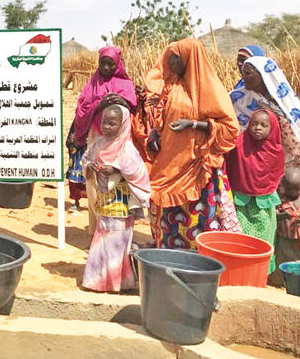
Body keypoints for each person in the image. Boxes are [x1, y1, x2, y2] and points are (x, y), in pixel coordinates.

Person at [136, 37, 241, 249]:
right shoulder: (170, 86)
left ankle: (196, 265)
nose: (170, 64)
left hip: (196, 168)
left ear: (188, 59)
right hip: (169, 164)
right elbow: (161, 117)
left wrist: (193, 125)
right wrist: (156, 134)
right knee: (167, 217)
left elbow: (230, 129)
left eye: (175, 59)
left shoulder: (209, 90)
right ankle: (166, 257)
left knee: (197, 219)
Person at [231, 55, 300, 208]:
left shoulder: (284, 101)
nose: (243, 77)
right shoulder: (238, 98)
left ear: (263, 76)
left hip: (282, 154)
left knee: (283, 190)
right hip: (249, 156)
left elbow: (297, 128)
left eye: (248, 73)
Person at [81, 105, 150, 293]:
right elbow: (86, 160)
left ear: (123, 124)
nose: (107, 127)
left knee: (118, 242)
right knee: (102, 238)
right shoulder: (98, 144)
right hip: (104, 203)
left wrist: (118, 170)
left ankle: (119, 282)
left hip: (122, 205)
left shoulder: (128, 149)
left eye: (112, 123)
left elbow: (139, 174)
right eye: (104, 122)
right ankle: (97, 280)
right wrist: (91, 166)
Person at [72, 46, 136, 234]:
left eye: (111, 64)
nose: (106, 68)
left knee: (116, 182)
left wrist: (121, 101)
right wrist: (99, 104)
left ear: (117, 65)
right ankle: (96, 231)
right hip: (96, 137)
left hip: (119, 141)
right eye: (103, 63)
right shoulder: (92, 83)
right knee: (94, 181)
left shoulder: (125, 84)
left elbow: (133, 107)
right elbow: (82, 109)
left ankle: (115, 231)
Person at [225, 109, 286, 273]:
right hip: (240, 202)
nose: (258, 128)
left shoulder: (276, 151)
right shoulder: (240, 143)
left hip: (263, 204)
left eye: (264, 125)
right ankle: (237, 271)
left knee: (263, 239)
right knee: (238, 237)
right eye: (254, 124)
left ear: (272, 128)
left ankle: (257, 273)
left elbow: (277, 176)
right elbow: (228, 163)